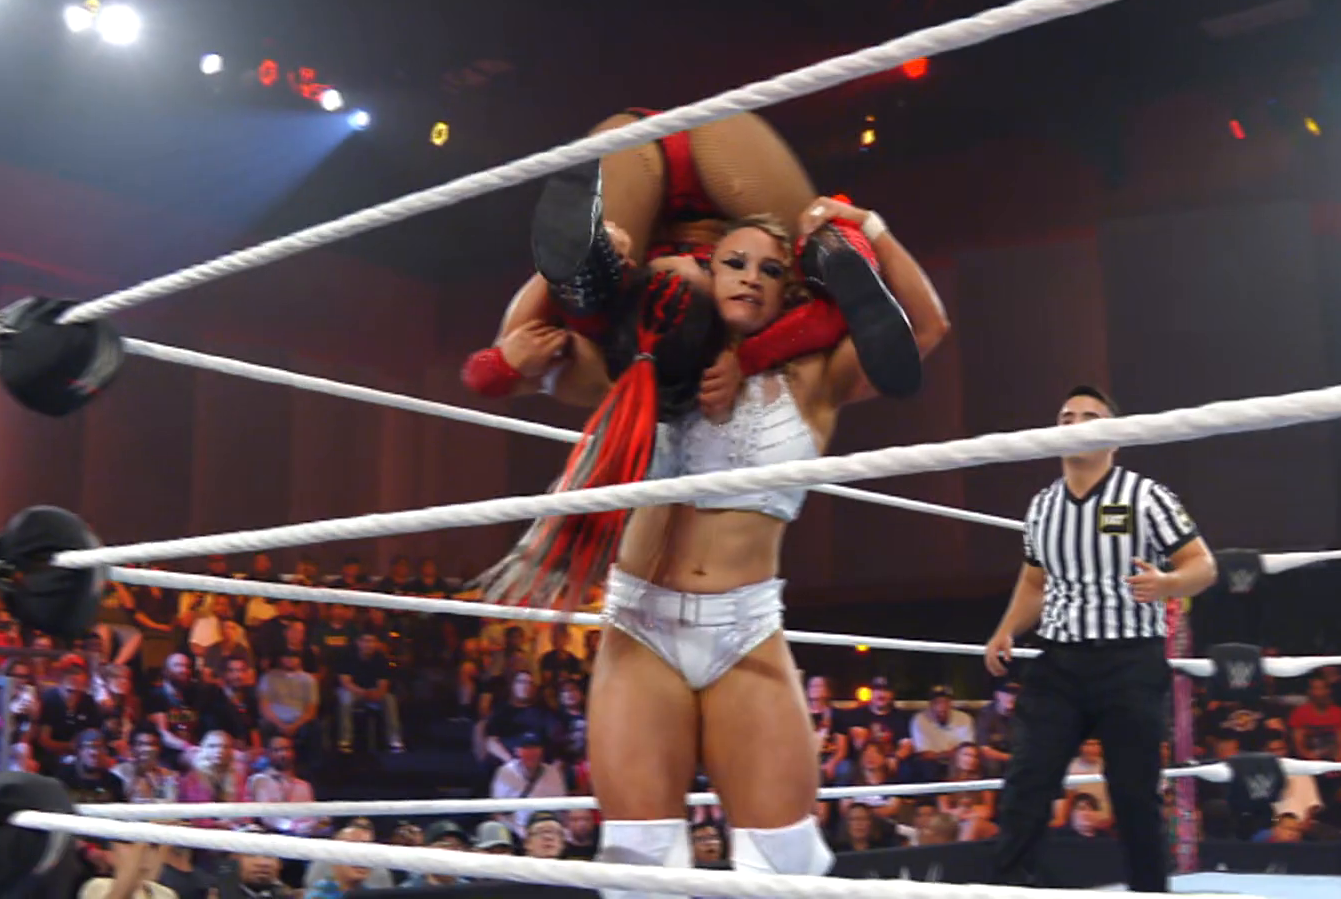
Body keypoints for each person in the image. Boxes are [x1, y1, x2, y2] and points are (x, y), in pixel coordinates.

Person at [479, 193, 948, 895]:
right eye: (735, 263)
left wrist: (871, 229)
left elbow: (926, 328)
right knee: (639, 869)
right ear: (708, 272)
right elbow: (527, 342)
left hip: (745, 630)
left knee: (786, 865)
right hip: (641, 629)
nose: (751, 277)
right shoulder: (640, 359)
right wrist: (569, 259)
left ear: (790, 291)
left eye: (770, 269)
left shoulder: (814, 378)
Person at [462, 110, 924, 413]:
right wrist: (868, 229)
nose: (682, 268)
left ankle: (588, 262)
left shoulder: (603, 357)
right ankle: (834, 251)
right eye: (705, 273)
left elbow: (498, 368)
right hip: (734, 164)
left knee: (578, 292)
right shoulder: (757, 319)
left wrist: (504, 362)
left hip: (634, 178)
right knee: (806, 238)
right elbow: (840, 319)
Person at [981, 385, 1218, 894]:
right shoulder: (1042, 506)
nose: (1075, 424)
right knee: (1026, 781)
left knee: (1134, 794)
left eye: (1090, 416)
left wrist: (1167, 584)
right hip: (1059, 662)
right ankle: (1006, 888)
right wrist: (1006, 629)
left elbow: (1203, 565)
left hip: (1129, 660)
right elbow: (1034, 582)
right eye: (1066, 417)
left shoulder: (1146, 495)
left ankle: (1149, 891)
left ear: (1115, 436)